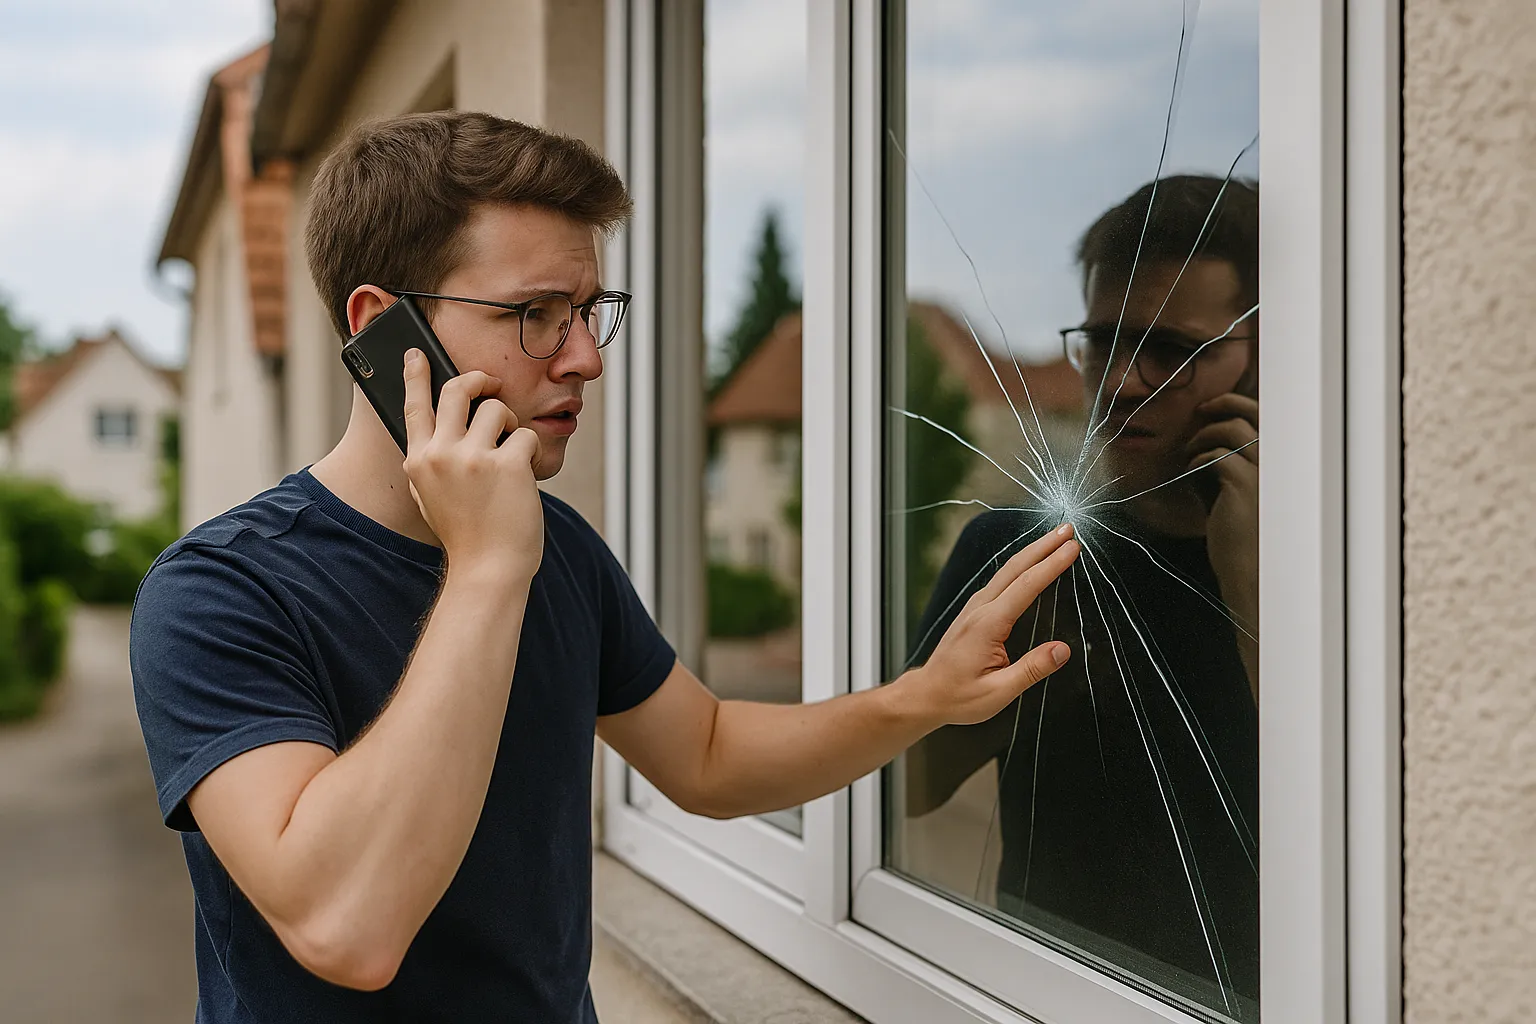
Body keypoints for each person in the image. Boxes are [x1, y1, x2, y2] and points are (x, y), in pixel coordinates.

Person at [128, 110, 1082, 1023]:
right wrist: (490, 569)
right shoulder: (218, 594)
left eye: (589, 311)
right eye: (537, 313)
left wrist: (924, 698)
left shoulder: (563, 551)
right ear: (386, 331)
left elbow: (704, 754)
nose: (584, 357)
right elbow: (348, 926)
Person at [904, 174, 1261, 1004]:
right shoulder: (1019, 554)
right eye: (1103, 341)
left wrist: (1253, 596)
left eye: (1171, 349)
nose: (1124, 382)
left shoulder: (1347, 577)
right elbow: (900, 795)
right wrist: (1002, 688)